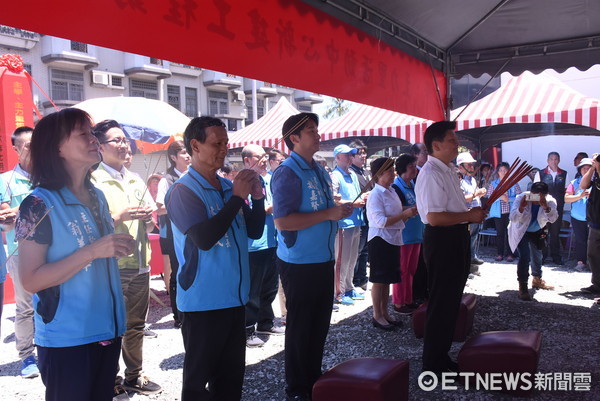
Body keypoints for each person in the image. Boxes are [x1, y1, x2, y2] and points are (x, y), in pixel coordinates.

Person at [15, 108, 133, 401]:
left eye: (92, 132)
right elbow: (30, 280)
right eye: (83, 133)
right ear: (57, 147)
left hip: (108, 329)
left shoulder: (97, 196)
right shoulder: (37, 204)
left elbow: (94, 255)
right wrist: (93, 251)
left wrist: (112, 248)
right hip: (67, 339)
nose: (93, 139)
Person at [165, 116, 265, 401]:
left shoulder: (225, 185)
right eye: (217, 143)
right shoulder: (182, 191)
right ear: (195, 145)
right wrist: (236, 198)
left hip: (234, 298)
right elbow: (204, 239)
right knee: (198, 384)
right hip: (203, 302)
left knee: (231, 380)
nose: (224, 149)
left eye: (226, 143)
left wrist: (256, 198)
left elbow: (255, 231)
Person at [271, 113, 352, 401]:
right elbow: (283, 222)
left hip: (321, 259)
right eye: (311, 131)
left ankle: (313, 377)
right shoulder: (287, 172)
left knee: (319, 323)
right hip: (299, 262)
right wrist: (329, 213)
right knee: (301, 326)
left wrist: (338, 208)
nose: (318, 135)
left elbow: (321, 208)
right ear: (294, 138)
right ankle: (297, 387)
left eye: (316, 130)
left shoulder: (317, 169)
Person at [91, 120, 161, 396]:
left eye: (124, 140)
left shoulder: (134, 178)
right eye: (116, 140)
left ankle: (135, 375)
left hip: (140, 264)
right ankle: (111, 378)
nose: (123, 145)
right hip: (112, 266)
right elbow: (91, 226)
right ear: (99, 146)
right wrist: (121, 217)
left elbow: (152, 224)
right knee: (110, 327)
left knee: (136, 325)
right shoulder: (93, 181)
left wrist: (147, 219)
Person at [414, 121, 486, 374]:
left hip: (454, 237)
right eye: (452, 140)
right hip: (442, 238)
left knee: (450, 300)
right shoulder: (431, 173)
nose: (457, 144)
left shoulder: (446, 169)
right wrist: (469, 216)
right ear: (436, 145)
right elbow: (435, 217)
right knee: (442, 301)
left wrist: (470, 214)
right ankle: (433, 363)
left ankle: (440, 356)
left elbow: (452, 209)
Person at [0, 126, 39, 378]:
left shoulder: (49, 177)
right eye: (27, 146)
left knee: (53, 301)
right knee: (25, 307)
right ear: (15, 150)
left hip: (53, 249)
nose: (33, 150)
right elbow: (5, 217)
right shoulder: (6, 180)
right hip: (21, 252)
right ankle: (27, 356)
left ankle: (50, 347)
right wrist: (8, 217)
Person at [241, 144, 284, 348]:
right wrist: (268, 208)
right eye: (260, 156)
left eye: (266, 156)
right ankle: (247, 329)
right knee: (252, 290)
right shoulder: (243, 181)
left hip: (271, 239)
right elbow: (247, 211)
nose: (265, 160)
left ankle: (266, 322)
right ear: (247, 160)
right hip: (253, 245)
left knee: (270, 286)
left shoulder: (268, 178)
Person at [367, 157, 416, 331]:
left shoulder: (390, 191)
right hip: (380, 239)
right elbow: (380, 221)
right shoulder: (375, 194)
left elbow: (396, 209)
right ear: (379, 174)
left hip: (393, 238)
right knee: (379, 280)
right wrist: (405, 214)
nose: (393, 173)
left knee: (387, 279)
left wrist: (409, 209)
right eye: (389, 171)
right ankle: (377, 315)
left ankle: (385, 312)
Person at [155, 140, 190, 328]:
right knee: (178, 272)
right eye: (183, 152)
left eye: (188, 152)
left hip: (190, 233)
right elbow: (159, 208)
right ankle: (178, 315)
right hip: (172, 234)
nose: (188, 156)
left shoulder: (193, 176)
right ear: (173, 157)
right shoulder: (166, 180)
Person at [508, 182, 558, 300]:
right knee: (524, 256)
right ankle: (523, 286)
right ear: (530, 193)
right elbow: (512, 218)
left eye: (540, 196)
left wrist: (546, 207)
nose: (537, 199)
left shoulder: (550, 201)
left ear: (546, 195)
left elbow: (553, 219)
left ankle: (537, 279)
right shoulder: (521, 198)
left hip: (537, 230)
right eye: (535, 195)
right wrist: (521, 207)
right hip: (521, 230)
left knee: (538, 255)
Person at [331, 144, 366, 305]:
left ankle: (349, 287)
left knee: (353, 257)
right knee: (341, 259)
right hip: (343, 223)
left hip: (356, 220)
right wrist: (354, 203)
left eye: (351, 155)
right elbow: (333, 199)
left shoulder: (352, 174)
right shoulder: (334, 176)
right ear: (338, 157)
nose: (350, 157)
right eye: (347, 155)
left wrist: (364, 197)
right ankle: (339, 292)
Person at [392, 153, 423, 315]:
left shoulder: (412, 185)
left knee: (411, 269)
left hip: (416, 234)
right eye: (412, 166)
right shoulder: (396, 186)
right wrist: (414, 209)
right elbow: (395, 208)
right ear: (404, 168)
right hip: (403, 235)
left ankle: (408, 299)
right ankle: (398, 302)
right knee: (401, 270)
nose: (415, 170)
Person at [534, 152, 567, 265]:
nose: (553, 161)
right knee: (543, 232)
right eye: (551, 159)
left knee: (555, 233)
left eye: (556, 159)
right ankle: (542, 256)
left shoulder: (564, 173)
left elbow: (566, 191)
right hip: (543, 208)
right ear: (547, 160)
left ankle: (556, 256)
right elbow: (535, 191)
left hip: (557, 208)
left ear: (559, 160)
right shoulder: (541, 173)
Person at [457, 152, 487, 271]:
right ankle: (464, 266)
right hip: (465, 215)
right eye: (468, 165)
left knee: (473, 238)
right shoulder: (458, 180)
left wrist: (480, 193)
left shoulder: (472, 180)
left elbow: (474, 195)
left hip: (474, 214)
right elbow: (461, 198)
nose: (471, 167)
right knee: (465, 241)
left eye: (472, 165)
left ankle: (470, 263)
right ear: (460, 167)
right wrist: (476, 194)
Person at [487, 162, 522, 262]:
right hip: (498, 212)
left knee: (510, 233)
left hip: (510, 212)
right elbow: (489, 197)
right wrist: (500, 196)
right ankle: (499, 253)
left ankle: (510, 254)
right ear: (498, 172)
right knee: (500, 233)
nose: (503, 172)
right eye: (501, 170)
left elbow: (519, 197)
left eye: (505, 170)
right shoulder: (494, 184)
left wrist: (509, 199)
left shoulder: (513, 183)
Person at [349, 139, 371, 291]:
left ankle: (361, 278)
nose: (363, 156)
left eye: (364, 153)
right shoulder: (350, 173)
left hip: (369, 216)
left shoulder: (366, 172)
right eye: (360, 154)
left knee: (364, 250)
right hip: (356, 216)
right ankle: (354, 280)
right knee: (356, 250)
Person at [565, 158, 593, 272]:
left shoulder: (596, 182)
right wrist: (580, 196)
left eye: (588, 168)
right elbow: (566, 198)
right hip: (578, 217)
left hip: (593, 217)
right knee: (581, 240)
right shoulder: (574, 183)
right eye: (584, 168)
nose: (586, 170)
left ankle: (593, 264)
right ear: (580, 170)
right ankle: (581, 262)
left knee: (594, 241)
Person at [410, 142, 429, 305]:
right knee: (417, 261)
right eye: (424, 152)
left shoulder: (427, 171)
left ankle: (424, 289)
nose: (427, 154)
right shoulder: (413, 175)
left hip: (426, 223)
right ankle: (418, 292)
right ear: (415, 155)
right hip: (416, 225)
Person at [579, 153, 600, 295]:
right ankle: (597, 285)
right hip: (595, 222)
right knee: (592, 255)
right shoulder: (595, 174)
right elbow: (583, 185)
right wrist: (592, 168)